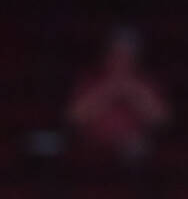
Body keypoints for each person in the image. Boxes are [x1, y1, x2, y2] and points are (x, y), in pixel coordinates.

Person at [64, 27, 172, 163]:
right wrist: (109, 89)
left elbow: (161, 120)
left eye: (128, 54)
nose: (121, 59)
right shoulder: (90, 80)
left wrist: (132, 91)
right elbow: (74, 117)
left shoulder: (147, 82)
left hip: (135, 156)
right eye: (116, 53)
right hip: (93, 153)